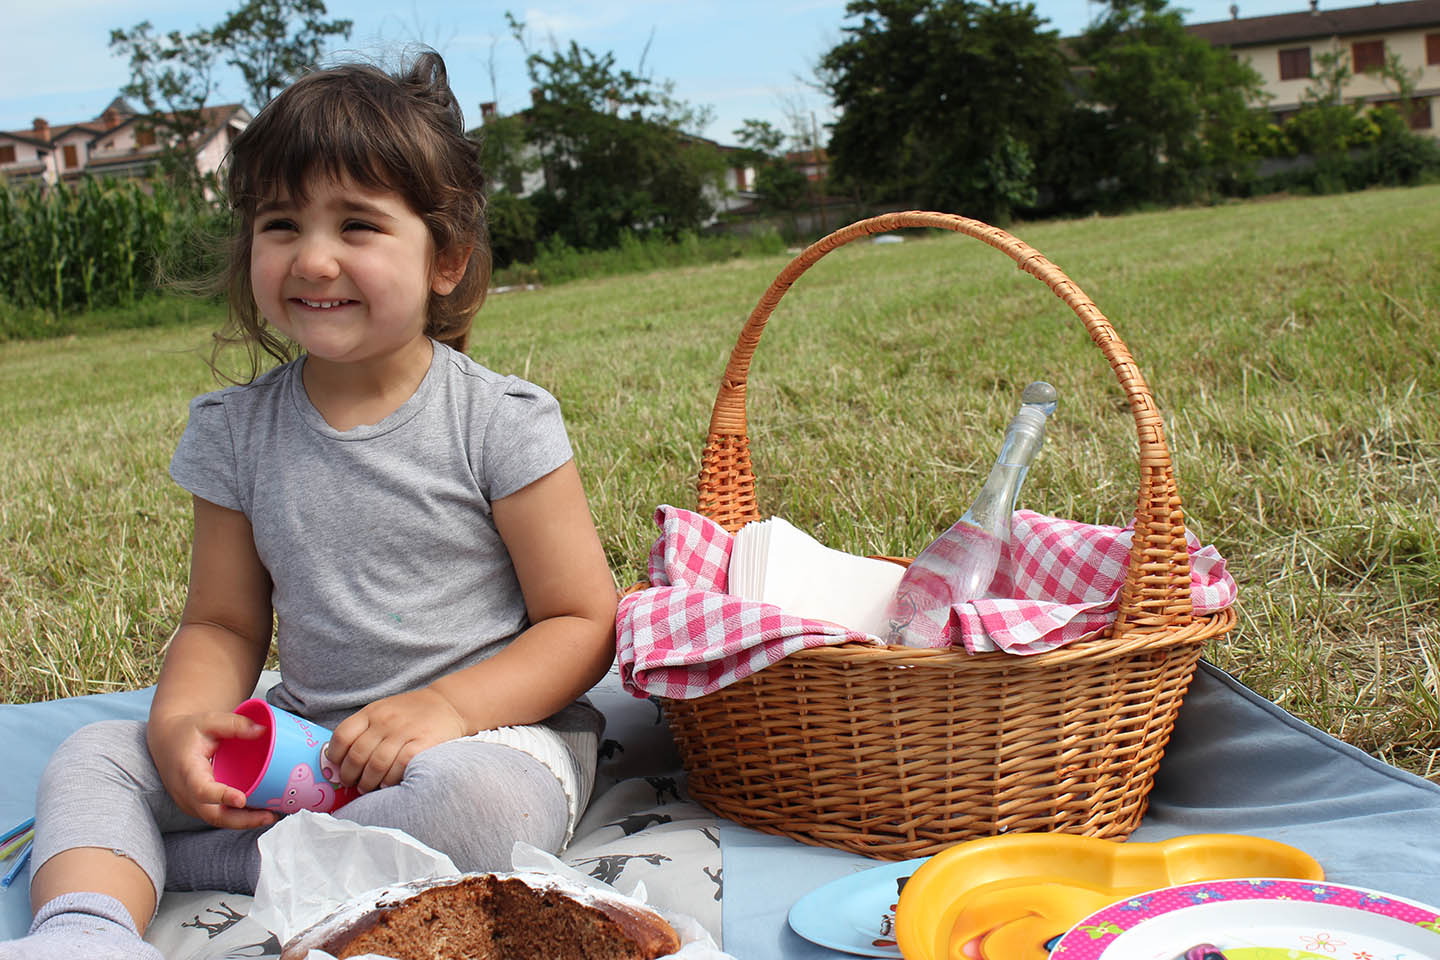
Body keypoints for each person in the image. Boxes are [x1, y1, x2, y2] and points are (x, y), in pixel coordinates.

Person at [1, 51, 618, 960]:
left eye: (358, 225)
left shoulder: (498, 419)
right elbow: (219, 622)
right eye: (281, 223)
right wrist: (179, 729)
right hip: (314, 747)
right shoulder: (234, 431)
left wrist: (445, 708)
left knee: (471, 809)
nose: (313, 257)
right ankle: (86, 930)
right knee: (98, 756)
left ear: (445, 257)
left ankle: (207, 862)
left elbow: (582, 619)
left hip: (493, 738)